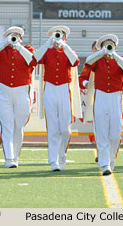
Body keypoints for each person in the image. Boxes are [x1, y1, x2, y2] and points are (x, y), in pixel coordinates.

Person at [0, 26, 37, 168]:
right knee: (7, 126)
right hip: (4, 92)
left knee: (18, 126)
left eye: (16, 36)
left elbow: (33, 61)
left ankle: (15, 156)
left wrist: (18, 46)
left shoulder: (27, 49)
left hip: (21, 91)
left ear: (21, 38)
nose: (14, 38)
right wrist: (5, 43)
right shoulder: (0, 49)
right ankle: (9, 158)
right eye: (11, 35)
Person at [33, 26, 81, 171]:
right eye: (56, 35)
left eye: (61, 35)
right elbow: (34, 59)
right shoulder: (46, 51)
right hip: (50, 88)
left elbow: (76, 61)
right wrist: (48, 44)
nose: (58, 38)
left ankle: (62, 154)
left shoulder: (68, 51)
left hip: (64, 89)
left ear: (66, 38)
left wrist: (64, 45)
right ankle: (54, 160)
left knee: (65, 129)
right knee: (53, 127)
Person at [85, 34, 123, 175]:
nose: (108, 47)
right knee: (102, 131)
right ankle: (105, 163)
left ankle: (111, 160)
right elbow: (87, 62)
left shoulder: (120, 59)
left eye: (110, 44)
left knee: (115, 134)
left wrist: (113, 54)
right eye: (105, 44)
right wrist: (102, 52)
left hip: (116, 97)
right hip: (101, 96)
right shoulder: (97, 60)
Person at [78, 40, 99, 163]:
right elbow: (82, 79)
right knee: (97, 125)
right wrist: (87, 84)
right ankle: (101, 151)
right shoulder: (90, 62)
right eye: (96, 48)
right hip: (96, 96)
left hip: (111, 95)